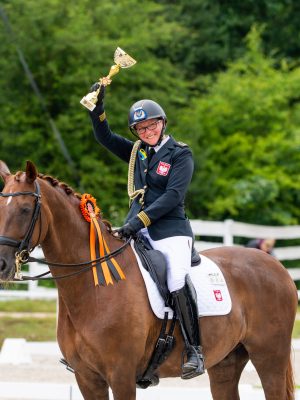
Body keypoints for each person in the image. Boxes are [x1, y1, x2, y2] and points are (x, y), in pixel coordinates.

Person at [88, 80, 205, 379]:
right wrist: (97, 108)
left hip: (170, 231)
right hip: (136, 230)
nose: (147, 132)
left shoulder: (180, 154)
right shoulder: (138, 153)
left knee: (177, 278)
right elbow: (105, 137)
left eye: (151, 126)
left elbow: (172, 197)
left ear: (162, 123)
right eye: (141, 130)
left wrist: (137, 222)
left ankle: (195, 350)